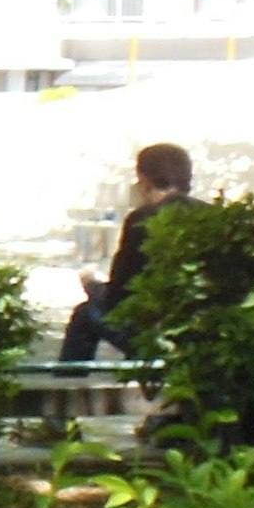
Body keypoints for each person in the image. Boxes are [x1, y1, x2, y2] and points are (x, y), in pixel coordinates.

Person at [62, 141, 194, 361]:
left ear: (143, 179)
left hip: (154, 334)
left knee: (86, 314)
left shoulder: (142, 219)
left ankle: (68, 387)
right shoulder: (210, 215)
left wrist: (92, 286)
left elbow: (117, 297)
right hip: (199, 331)